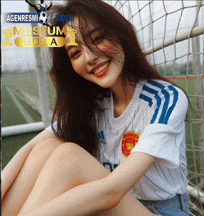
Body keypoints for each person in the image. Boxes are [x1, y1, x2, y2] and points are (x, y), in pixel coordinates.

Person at [1, 0, 190, 215]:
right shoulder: (96, 106)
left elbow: (112, 192)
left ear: (120, 33)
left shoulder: (164, 98)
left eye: (97, 38)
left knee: (69, 157)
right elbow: (32, 148)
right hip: (112, 205)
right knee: (49, 147)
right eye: (75, 53)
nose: (89, 57)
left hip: (158, 210)